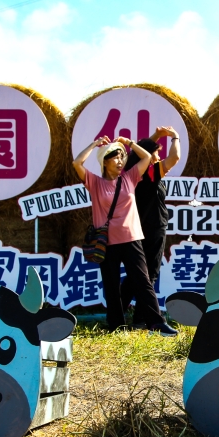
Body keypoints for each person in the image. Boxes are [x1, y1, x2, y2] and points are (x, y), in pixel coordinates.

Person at [72, 135, 178, 336]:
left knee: (143, 281)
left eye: (122, 157)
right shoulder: (95, 183)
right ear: (105, 162)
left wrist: (129, 143)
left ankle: (157, 323)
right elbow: (77, 163)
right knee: (112, 286)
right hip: (107, 242)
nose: (120, 161)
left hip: (131, 239)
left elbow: (146, 157)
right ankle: (117, 327)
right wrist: (94, 145)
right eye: (115, 157)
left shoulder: (130, 178)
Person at [119, 126, 181, 326]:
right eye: (156, 153)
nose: (158, 156)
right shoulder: (151, 172)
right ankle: (140, 320)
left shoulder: (133, 172)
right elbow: (175, 157)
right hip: (153, 228)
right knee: (149, 275)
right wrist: (175, 137)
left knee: (135, 275)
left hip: (137, 229)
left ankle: (116, 315)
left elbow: (141, 150)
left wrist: (156, 136)